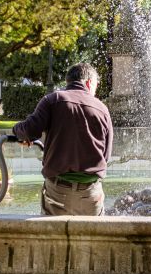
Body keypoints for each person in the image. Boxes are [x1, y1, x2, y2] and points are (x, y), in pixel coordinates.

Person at [12, 63, 113, 216]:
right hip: (91, 192)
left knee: (52, 238)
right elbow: (106, 155)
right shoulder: (102, 108)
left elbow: (29, 130)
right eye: (96, 85)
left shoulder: (53, 100)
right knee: (93, 238)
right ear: (88, 83)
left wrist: (17, 131)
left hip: (58, 191)